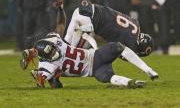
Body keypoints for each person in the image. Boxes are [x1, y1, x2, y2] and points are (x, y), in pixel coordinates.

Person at [20, 32, 158, 88]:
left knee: (117, 46)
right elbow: (42, 82)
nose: (55, 53)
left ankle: (148, 70)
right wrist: (39, 75)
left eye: (53, 49)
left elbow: (59, 27)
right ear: (44, 57)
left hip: (96, 55)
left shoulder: (55, 39)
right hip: (95, 70)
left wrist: (30, 54)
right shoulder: (46, 66)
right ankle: (131, 83)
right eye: (50, 54)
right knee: (107, 78)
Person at [62, 0, 154, 57]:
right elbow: (118, 52)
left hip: (92, 8)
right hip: (92, 20)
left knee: (67, 44)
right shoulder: (131, 42)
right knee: (71, 52)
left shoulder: (135, 23)